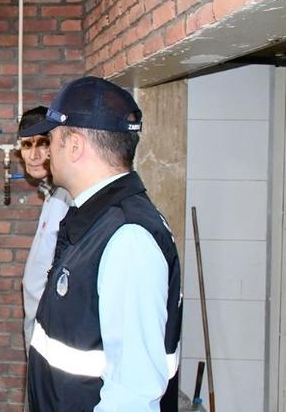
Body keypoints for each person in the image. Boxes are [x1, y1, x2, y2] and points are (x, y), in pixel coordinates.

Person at [20, 77, 182, 412]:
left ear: (75, 145)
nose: (47, 152)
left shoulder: (128, 237)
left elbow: (134, 394)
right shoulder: (93, 219)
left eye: (51, 139)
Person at [18, 107, 72, 352]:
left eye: (42, 143)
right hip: (37, 324)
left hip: (53, 328)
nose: (34, 155)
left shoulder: (68, 197)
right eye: (27, 145)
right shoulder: (52, 195)